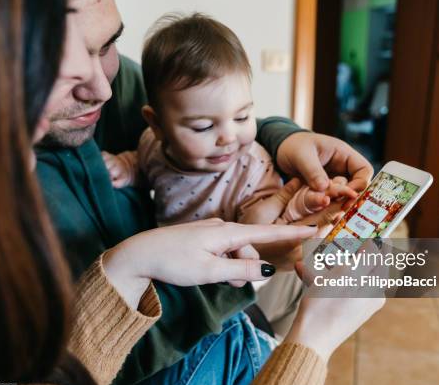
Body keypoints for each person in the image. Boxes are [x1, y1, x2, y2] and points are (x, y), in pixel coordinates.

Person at [34, 0, 375, 385]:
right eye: (63, 68)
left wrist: (286, 139)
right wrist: (309, 340)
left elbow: (213, 113)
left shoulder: (112, 88)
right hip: (190, 311)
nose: (102, 90)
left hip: (236, 256)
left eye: (108, 45)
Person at [103, 14, 367, 228]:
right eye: (203, 126)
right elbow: (143, 166)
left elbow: (258, 224)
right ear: (157, 125)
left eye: (242, 117)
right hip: (174, 272)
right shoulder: (151, 144)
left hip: (235, 276)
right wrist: (125, 167)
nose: (229, 137)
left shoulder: (253, 168)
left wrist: (295, 199)